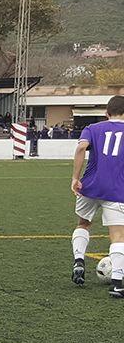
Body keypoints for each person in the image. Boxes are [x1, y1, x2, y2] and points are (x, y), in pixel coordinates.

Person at [71, 95, 124, 295]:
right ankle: (117, 283)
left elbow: (81, 148)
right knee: (118, 236)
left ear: (106, 113)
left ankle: (78, 261)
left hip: (90, 186)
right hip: (117, 189)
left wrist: (75, 178)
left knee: (83, 223)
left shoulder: (93, 129)